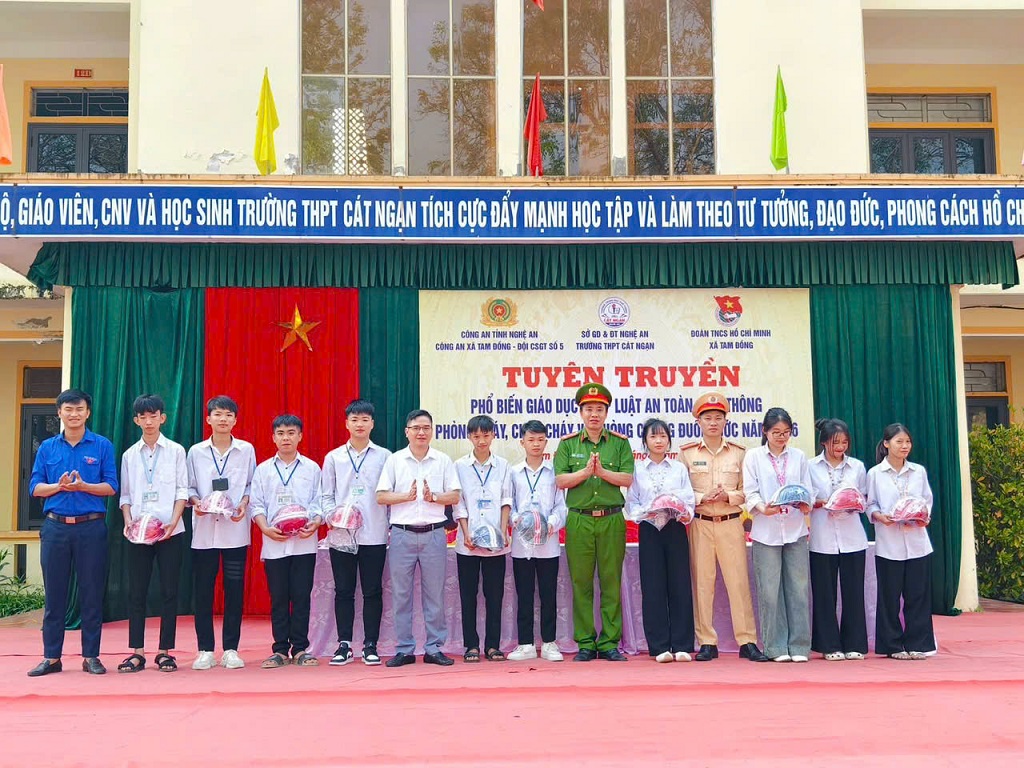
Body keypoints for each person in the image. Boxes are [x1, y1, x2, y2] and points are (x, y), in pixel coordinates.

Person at [27, 389, 118, 677]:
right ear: (59, 413)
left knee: (91, 593)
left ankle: (91, 656)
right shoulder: (47, 448)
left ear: (88, 413)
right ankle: (51, 657)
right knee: (55, 596)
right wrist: (59, 486)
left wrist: (84, 487)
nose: (74, 414)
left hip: (91, 527)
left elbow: (111, 487)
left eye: (79, 409)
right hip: (55, 528)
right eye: (68, 409)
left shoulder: (102, 446)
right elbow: (35, 488)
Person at [679, 393, 768, 662]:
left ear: (726, 421)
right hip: (701, 523)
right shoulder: (688, 453)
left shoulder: (740, 454)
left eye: (718, 418)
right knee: (703, 584)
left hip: (730, 523)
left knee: (738, 583)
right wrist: (700, 499)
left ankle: (747, 641)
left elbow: (747, 491)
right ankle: (707, 641)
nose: (713, 423)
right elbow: (681, 491)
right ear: (698, 421)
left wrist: (728, 495)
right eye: (708, 418)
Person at [553, 382, 634, 662]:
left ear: (607, 412)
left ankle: (610, 642)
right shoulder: (568, 444)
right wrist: (586, 473)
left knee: (611, 581)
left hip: (611, 519)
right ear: (581, 412)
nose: (594, 414)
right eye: (589, 409)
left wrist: (602, 472)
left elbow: (627, 479)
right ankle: (586, 642)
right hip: (580, 521)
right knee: (581, 582)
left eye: (599, 409)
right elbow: (561, 480)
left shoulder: (620, 444)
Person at [376, 409, 461, 667]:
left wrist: (433, 497)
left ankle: (434, 648)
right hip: (402, 535)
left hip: (434, 535)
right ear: (407, 432)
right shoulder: (395, 460)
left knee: (434, 595)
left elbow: (455, 496)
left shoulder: (443, 460)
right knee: (401, 595)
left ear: (432, 431)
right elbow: (381, 496)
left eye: (426, 428)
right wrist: (405, 497)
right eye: (416, 428)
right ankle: (404, 649)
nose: (421, 432)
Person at [118, 394, 189, 673]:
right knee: (137, 591)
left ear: (163, 418)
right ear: (136, 420)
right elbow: (125, 494)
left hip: (171, 531)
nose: (148, 421)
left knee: (170, 591)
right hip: (138, 534)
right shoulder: (128, 455)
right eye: (142, 417)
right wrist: (128, 522)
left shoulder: (175, 451)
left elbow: (182, 490)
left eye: (153, 416)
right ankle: (136, 652)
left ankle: (165, 651)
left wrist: (173, 521)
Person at [186, 395, 257, 671]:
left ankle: (231, 649)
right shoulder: (196, 452)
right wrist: (197, 505)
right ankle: (204, 649)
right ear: (208, 419)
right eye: (218, 414)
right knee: (203, 590)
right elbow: (190, 488)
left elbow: (252, 485)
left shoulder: (246, 450)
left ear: (235, 420)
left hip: (234, 529)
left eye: (228, 414)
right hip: (204, 531)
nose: (223, 419)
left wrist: (242, 504)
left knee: (234, 590)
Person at [321, 399, 392, 667]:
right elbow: (326, 495)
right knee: (344, 591)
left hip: (374, 534)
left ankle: (370, 644)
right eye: (354, 419)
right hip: (341, 536)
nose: (359, 424)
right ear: (346, 423)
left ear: (372, 424)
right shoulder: (334, 457)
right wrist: (334, 517)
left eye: (365, 419)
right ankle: (344, 644)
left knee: (373, 591)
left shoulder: (385, 456)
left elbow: (388, 494)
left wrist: (389, 529)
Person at [250, 414, 323, 669]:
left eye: (291, 433)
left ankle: (301, 648)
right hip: (274, 543)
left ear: (300, 436)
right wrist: (265, 529)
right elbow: (256, 504)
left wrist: (315, 522)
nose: (286, 438)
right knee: (279, 596)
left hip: (304, 542)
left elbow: (319, 501)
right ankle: (280, 649)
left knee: (302, 595)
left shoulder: (312, 468)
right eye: (281, 433)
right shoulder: (263, 470)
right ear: (273, 437)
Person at [743, 407, 814, 663]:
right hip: (766, 531)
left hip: (795, 529)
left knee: (798, 588)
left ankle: (799, 646)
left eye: (786, 432)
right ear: (765, 431)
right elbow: (749, 492)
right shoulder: (754, 457)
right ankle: (775, 647)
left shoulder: (798, 456)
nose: (782, 437)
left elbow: (808, 488)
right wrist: (763, 508)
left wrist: (806, 503)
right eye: (776, 432)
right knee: (769, 591)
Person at [626, 418, 696, 663]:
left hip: (675, 528)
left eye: (663, 436)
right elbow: (631, 503)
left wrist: (683, 511)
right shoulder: (637, 470)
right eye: (653, 436)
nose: (659, 441)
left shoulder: (678, 469)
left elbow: (689, 499)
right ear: (645, 441)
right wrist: (648, 511)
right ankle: (659, 646)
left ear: (669, 440)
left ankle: (683, 644)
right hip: (649, 530)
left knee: (680, 585)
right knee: (653, 587)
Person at [867, 423, 936, 660]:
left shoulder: (919, 471)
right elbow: (871, 504)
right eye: (899, 441)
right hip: (889, 544)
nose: (904, 446)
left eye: (907, 441)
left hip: (917, 542)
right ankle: (892, 645)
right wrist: (879, 517)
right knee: (889, 597)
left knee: (917, 595)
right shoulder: (875, 473)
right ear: (886, 444)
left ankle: (919, 643)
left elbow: (927, 500)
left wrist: (923, 515)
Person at [808, 418, 869, 661]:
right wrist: (825, 502)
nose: (841, 447)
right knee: (824, 593)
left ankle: (854, 643)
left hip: (852, 537)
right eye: (835, 442)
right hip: (823, 537)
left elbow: (864, 496)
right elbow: (807, 498)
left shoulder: (857, 467)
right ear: (823, 442)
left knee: (854, 591)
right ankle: (828, 645)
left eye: (845, 442)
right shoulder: (811, 466)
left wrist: (853, 502)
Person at [454, 415, 513, 662]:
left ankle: (492, 645)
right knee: (468, 595)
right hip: (467, 543)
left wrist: (502, 532)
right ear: (469, 437)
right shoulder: (458, 466)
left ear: (493, 436)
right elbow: (459, 503)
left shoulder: (503, 465)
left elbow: (506, 500)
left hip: (496, 544)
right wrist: (466, 533)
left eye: (486, 435)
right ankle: (471, 646)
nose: (481, 441)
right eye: (476, 436)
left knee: (494, 595)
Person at [508, 420, 566, 662]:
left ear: (546, 442)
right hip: (521, 546)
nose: (535, 444)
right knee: (524, 594)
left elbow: (561, 506)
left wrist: (549, 524)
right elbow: (508, 504)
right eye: (531, 439)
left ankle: (550, 643)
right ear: (522, 442)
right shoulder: (513, 473)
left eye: (540, 439)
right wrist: (517, 520)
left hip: (548, 545)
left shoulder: (555, 473)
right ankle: (525, 644)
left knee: (548, 594)